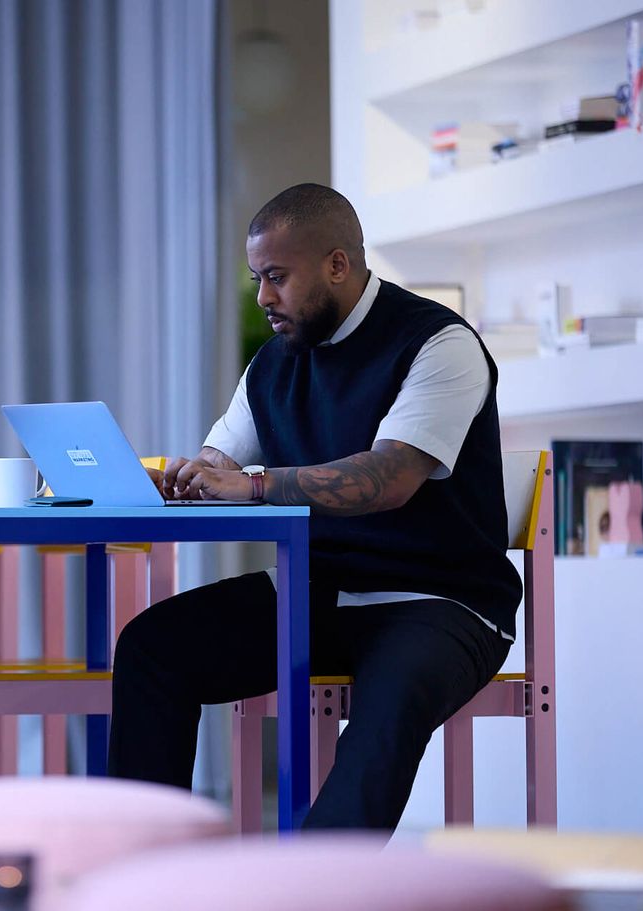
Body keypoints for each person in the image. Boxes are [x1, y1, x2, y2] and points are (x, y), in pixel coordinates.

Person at [108, 184, 520, 830]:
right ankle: (136, 876)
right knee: (152, 647)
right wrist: (194, 475)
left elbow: (392, 476)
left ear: (336, 264)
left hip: (443, 600)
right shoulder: (274, 363)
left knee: (391, 703)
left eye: (276, 277)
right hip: (316, 590)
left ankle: (317, 888)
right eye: (256, 279)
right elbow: (222, 457)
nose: (263, 297)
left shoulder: (439, 343)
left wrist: (254, 484)